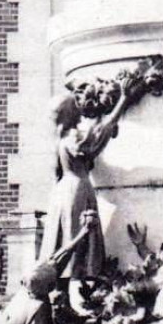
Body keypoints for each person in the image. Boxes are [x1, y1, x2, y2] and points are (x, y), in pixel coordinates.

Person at [38, 80, 133, 304]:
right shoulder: (71, 136)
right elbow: (97, 139)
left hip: (64, 192)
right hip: (76, 191)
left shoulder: (60, 138)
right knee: (75, 243)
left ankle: (62, 300)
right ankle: (69, 300)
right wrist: (123, 100)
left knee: (64, 242)